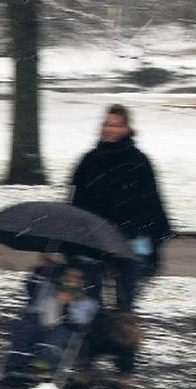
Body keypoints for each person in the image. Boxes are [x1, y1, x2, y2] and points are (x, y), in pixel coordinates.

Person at [70, 104, 172, 279]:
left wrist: (148, 231)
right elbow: (77, 198)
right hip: (93, 234)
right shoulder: (90, 160)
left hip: (132, 233)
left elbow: (150, 201)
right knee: (89, 284)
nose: (110, 129)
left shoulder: (138, 161)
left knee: (130, 282)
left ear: (126, 128)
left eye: (116, 125)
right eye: (107, 124)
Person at [1, 258, 98, 383]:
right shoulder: (52, 286)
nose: (70, 279)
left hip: (66, 326)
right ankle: (16, 365)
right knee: (24, 330)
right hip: (40, 320)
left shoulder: (86, 299)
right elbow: (35, 298)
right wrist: (41, 271)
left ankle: (43, 368)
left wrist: (67, 305)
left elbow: (80, 321)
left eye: (75, 277)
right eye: (67, 275)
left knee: (53, 339)